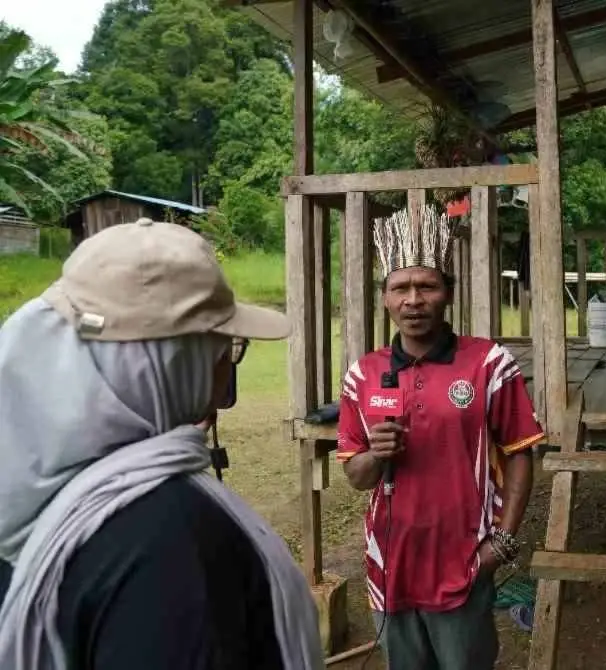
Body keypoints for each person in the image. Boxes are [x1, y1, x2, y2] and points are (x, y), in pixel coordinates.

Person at [0, 219, 325, 670]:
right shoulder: (171, 541)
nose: (225, 371)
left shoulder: (36, 499)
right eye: (224, 348)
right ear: (169, 365)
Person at [336, 206, 543, 669]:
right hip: (390, 561)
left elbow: (522, 453)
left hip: (463, 559)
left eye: (426, 286)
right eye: (400, 288)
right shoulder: (362, 375)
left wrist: (502, 542)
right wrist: (375, 452)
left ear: (447, 293)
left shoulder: (488, 363)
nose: (413, 299)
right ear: (385, 299)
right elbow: (355, 475)